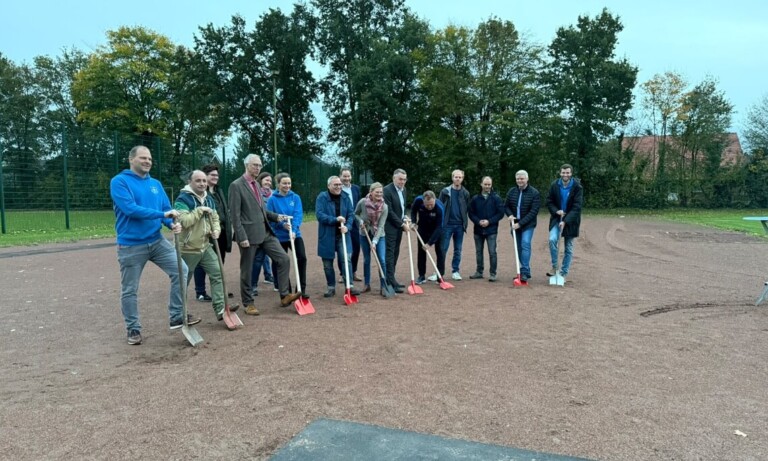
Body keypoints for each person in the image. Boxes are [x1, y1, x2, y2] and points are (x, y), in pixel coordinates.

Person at [110, 145, 200, 346]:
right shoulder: (119, 181)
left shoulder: (155, 184)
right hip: (131, 245)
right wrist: (163, 215)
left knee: (182, 270)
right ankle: (133, 328)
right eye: (143, 158)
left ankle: (176, 315)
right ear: (131, 159)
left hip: (157, 241)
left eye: (150, 159)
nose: (147, 161)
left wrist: (171, 223)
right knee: (130, 289)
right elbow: (130, 209)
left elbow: (166, 209)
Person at [228, 154, 300, 315]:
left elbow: (261, 210)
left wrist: (276, 216)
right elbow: (235, 215)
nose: (258, 168)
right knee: (247, 270)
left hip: (266, 232)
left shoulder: (257, 185)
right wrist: (241, 236)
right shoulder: (236, 185)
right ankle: (248, 303)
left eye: (260, 165)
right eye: (255, 165)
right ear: (246, 165)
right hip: (248, 235)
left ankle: (284, 295)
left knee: (283, 259)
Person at [174, 170, 233, 324]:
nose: (202, 184)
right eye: (198, 181)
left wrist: (216, 230)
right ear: (190, 182)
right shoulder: (182, 199)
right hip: (188, 248)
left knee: (218, 273)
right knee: (183, 281)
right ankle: (179, 313)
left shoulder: (209, 199)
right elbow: (184, 221)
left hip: (205, 246)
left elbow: (215, 217)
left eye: (204, 181)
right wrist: (200, 210)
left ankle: (220, 308)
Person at [193, 164, 233, 302]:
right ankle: (200, 292)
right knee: (202, 262)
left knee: (220, 261)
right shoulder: (201, 193)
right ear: (205, 176)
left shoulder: (218, 190)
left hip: (221, 232)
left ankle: (219, 290)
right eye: (212, 175)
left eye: (217, 175)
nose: (215, 177)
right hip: (207, 233)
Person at [266, 172, 309, 299]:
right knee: (281, 262)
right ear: (278, 184)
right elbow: (270, 218)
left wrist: (294, 230)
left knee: (302, 258)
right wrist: (282, 225)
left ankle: (301, 289)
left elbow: (298, 214)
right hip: (279, 236)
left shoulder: (295, 198)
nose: (287, 186)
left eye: (289, 183)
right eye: (284, 183)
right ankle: (286, 292)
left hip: (294, 234)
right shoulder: (272, 199)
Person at [316, 176, 360, 297]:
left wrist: (348, 227)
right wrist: (335, 219)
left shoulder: (345, 197)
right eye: (335, 185)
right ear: (329, 186)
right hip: (327, 235)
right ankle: (331, 287)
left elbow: (351, 214)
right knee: (327, 263)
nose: (338, 187)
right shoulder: (322, 197)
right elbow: (319, 215)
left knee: (346, 260)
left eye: (340, 185)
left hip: (343, 235)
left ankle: (349, 286)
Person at [546, 163, 583, 281]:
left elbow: (577, 207)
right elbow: (549, 201)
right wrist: (556, 211)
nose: (565, 174)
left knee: (568, 248)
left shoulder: (577, 187)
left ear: (571, 173)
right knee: (552, 240)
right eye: (563, 172)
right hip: (556, 218)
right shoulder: (554, 185)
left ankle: (563, 273)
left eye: (567, 172)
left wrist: (566, 221)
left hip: (571, 221)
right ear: (560, 172)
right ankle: (555, 266)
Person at [505, 170, 541, 282]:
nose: (520, 181)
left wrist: (520, 224)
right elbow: (506, 206)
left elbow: (533, 211)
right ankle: (523, 270)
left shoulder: (534, 193)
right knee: (519, 247)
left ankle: (525, 271)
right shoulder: (511, 191)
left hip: (527, 225)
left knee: (525, 244)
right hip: (514, 224)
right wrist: (510, 215)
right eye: (518, 179)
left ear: (527, 179)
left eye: (522, 179)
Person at [468, 176, 505, 282]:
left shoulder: (496, 198)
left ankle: (493, 273)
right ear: (481, 184)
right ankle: (479, 272)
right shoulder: (475, 199)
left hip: (491, 230)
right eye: (485, 184)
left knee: (492, 252)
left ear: (491, 185)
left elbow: (500, 213)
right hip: (478, 230)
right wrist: (478, 221)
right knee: (479, 252)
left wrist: (489, 221)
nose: (487, 186)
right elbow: (471, 213)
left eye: (489, 184)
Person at [354, 182, 388, 295]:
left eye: (381, 192)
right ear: (371, 192)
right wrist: (360, 221)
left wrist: (374, 241)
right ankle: (367, 284)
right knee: (367, 259)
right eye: (377, 192)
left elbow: (381, 226)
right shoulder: (363, 202)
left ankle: (384, 286)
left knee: (381, 259)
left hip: (379, 235)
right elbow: (355, 214)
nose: (379, 194)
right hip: (364, 234)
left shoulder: (384, 207)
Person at [438, 169, 470, 280]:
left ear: (462, 178)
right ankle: (439, 271)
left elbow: (467, 208)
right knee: (443, 249)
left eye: (460, 177)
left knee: (458, 250)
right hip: (447, 225)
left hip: (460, 226)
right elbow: (439, 206)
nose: (458, 179)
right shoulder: (445, 192)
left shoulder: (465, 193)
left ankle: (455, 271)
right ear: (452, 178)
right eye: (456, 177)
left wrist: (464, 222)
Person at [383, 169, 409, 293]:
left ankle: (391, 278)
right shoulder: (387, 191)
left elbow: (402, 208)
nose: (402, 182)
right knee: (390, 253)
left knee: (395, 252)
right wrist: (401, 224)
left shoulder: (404, 190)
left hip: (398, 227)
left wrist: (405, 217)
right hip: (389, 227)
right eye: (400, 179)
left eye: (404, 179)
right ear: (394, 178)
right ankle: (389, 281)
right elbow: (389, 211)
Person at [410, 191, 444, 284]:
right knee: (421, 251)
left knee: (440, 251)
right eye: (427, 205)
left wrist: (429, 243)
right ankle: (421, 276)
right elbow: (413, 210)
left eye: (431, 204)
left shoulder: (439, 207)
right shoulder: (418, 200)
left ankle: (440, 276)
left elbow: (439, 227)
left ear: (435, 200)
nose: (429, 207)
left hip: (436, 230)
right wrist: (413, 222)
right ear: (423, 201)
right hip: (423, 229)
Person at [250, 172, 276, 294]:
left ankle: (270, 276)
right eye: (266, 180)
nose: (268, 183)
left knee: (275, 256)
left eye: (270, 181)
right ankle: (253, 284)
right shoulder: (256, 193)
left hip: (273, 228)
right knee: (259, 257)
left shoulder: (274, 194)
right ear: (260, 181)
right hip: (261, 229)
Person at [339, 167, 362, 283]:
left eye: (348, 176)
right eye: (344, 176)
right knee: (343, 248)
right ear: (340, 177)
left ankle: (353, 271)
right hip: (343, 221)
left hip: (355, 222)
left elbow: (360, 205)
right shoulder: (338, 189)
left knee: (356, 247)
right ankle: (342, 273)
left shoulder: (356, 189)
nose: (346, 178)